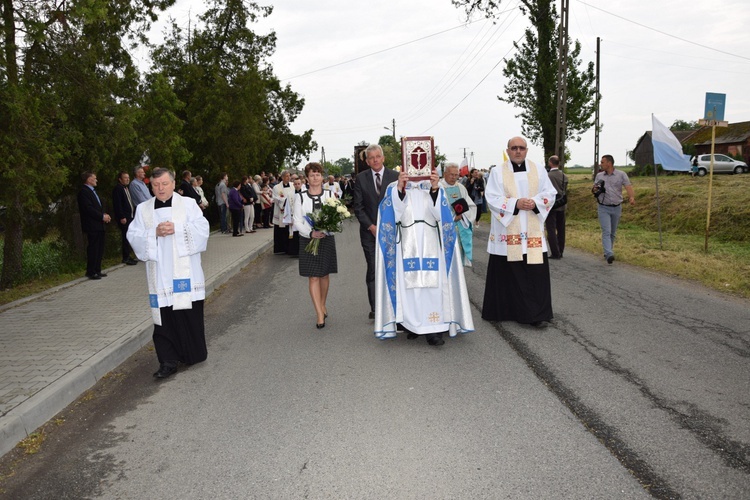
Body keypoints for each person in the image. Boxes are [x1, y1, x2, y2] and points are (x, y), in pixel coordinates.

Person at [374, 168, 474, 346]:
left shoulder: (435, 185)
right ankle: (411, 326)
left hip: (431, 244)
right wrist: (400, 188)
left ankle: (434, 329)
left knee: (433, 286)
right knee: (409, 288)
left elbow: (442, 216)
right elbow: (392, 213)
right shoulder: (394, 186)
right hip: (406, 243)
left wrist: (435, 190)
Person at [127, 168, 210, 379]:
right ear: (150, 186)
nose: (160, 188)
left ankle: (191, 354)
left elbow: (202, 229)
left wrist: (178, 229)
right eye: (155, 185)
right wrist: (153, 233)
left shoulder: (188, 204)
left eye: (164, 184)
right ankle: (168, 361)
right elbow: (133, 235)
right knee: (164, 320)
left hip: (186, 273)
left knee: (186, 315)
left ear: (173, 184)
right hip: (160, 275)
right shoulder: (143, 209)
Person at [482, 136, 557, 327]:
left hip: (531, 230)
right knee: (508, 272)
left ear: (526, 150)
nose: (518, 151)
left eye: (521, 148)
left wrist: (535, 202)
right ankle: (504, 311)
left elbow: (550, 193)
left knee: (534, 274)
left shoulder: (538, 170)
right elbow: (491, 197)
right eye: (514, 148)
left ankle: (536, 315)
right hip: (508, 231)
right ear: (507, 151)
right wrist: (516, 203)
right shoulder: (497, 172)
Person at [352, 144, 399, 319]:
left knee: (393, 267)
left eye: (377, 156)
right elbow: (358, 207)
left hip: (393, 233)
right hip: (369, 233)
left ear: (383, 157)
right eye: (371, 158)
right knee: (373, 267)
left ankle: (394, 302)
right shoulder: (361, 178)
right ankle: (376, 307)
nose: (375, 160)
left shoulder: (395, 177)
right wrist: (371, 227)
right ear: (367, 161)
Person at [293, 163, 338, 329]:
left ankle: (322, 304)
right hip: (308, 240)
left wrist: (329, 227)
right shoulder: (301, 197)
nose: (315, 178)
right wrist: (310, 233)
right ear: (307, 178)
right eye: (312, 175)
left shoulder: (329, 194)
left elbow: (336, 215)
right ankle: (319, 313)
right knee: (313, 276)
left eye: (318, 174)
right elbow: (297, 220)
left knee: (325, 274)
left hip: (326, 238)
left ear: (322, 177)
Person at [594, 154, 635, 264]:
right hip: (603, 207)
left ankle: (608, 251)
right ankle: (609, 253)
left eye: (602, 162)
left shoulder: (621, 174)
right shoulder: (599, 176)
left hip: (616, 207)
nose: (600, 164)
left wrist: (631, 197)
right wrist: (597, 190)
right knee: (606, 231)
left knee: (612, 232)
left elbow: (628, 186)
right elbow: (594, 189)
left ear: (609, 163)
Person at [440, 162, 476, 266]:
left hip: (460, 227)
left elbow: (471, 206)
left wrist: (462, 216)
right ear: (445, 173)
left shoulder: (461, 188)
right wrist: (451, 217)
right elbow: (435, 209)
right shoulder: (438, 188)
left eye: (456, 175)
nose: (454, 177)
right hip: (445, 228)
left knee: (458, 259)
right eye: (451, 174)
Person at [78, 171, 112, 279]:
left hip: (99, 224)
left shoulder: (93, 191)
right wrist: (101, 216)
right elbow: (88, 208)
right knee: (93, 248)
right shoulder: (84, 192)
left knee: (99, 248)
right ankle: (91, 271)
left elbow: (97, 207)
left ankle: (97, 269)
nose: (96, 180)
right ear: (88, 179)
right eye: (94, 178)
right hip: (92, 225)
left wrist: (104, 215)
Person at [112, 171, 138, 265]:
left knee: (129, 236)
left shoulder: (126, 188)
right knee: (126, 237)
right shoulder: (118, 189)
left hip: (130, 216)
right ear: (120, 179)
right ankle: (126, 257)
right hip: (125, 217)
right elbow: (118, 204)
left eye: (128, 177)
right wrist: (122, 216)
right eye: (125, 178)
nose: (127, 179)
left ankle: (129, 255)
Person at [545, 155, 568, 259]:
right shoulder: (564, 176)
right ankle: (561, 250)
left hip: (552, 205)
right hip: (562, 204)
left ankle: (555, 252)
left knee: (551, 229)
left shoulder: (548, 176)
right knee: (561, 229)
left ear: (550, 163)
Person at [272, 170, 295, 254]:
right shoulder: (276, 187)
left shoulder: (293, 185)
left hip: (291, 212)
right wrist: (284, 204)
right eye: (286, 176)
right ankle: (281, 249)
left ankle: (291, 249)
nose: (288, 178)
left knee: (290, 230)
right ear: (282, 177)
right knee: (281, 230)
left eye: (289, 176)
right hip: (281, 211)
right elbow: (275, 198)